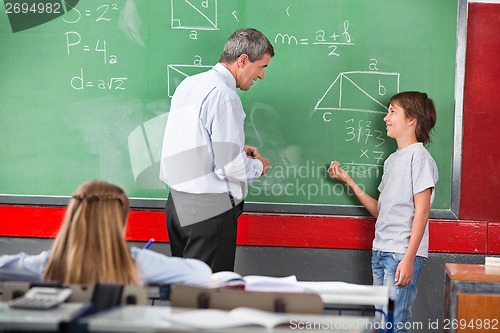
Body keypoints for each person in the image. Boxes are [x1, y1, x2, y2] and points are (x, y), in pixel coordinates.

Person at [159, 28, 274, 272]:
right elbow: (229, 167)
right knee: (207, 297)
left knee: (186, 288)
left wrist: (236, 150)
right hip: (208, 210)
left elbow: (190, 139)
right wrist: (259, 166)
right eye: (261, 67)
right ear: (242, 60)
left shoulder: (189, 84)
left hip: (177, 204)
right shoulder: (225, 96)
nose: (261, 76)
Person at [327, 91, 438, 333]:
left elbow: (422, 210)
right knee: (381, 325)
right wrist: (349, 182)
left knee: (394, 325)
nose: (386, 118)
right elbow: (381, 211)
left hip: (400, 254)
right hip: (381, 251)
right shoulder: (391, 161)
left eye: (392, 111)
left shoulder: (419, 158)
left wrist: (409, 259)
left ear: (412, 119)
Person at [0, 179, 212, 286]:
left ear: (74, 217)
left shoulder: (47, 265)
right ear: (118, 221)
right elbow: (202, 272)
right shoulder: (137, 264)